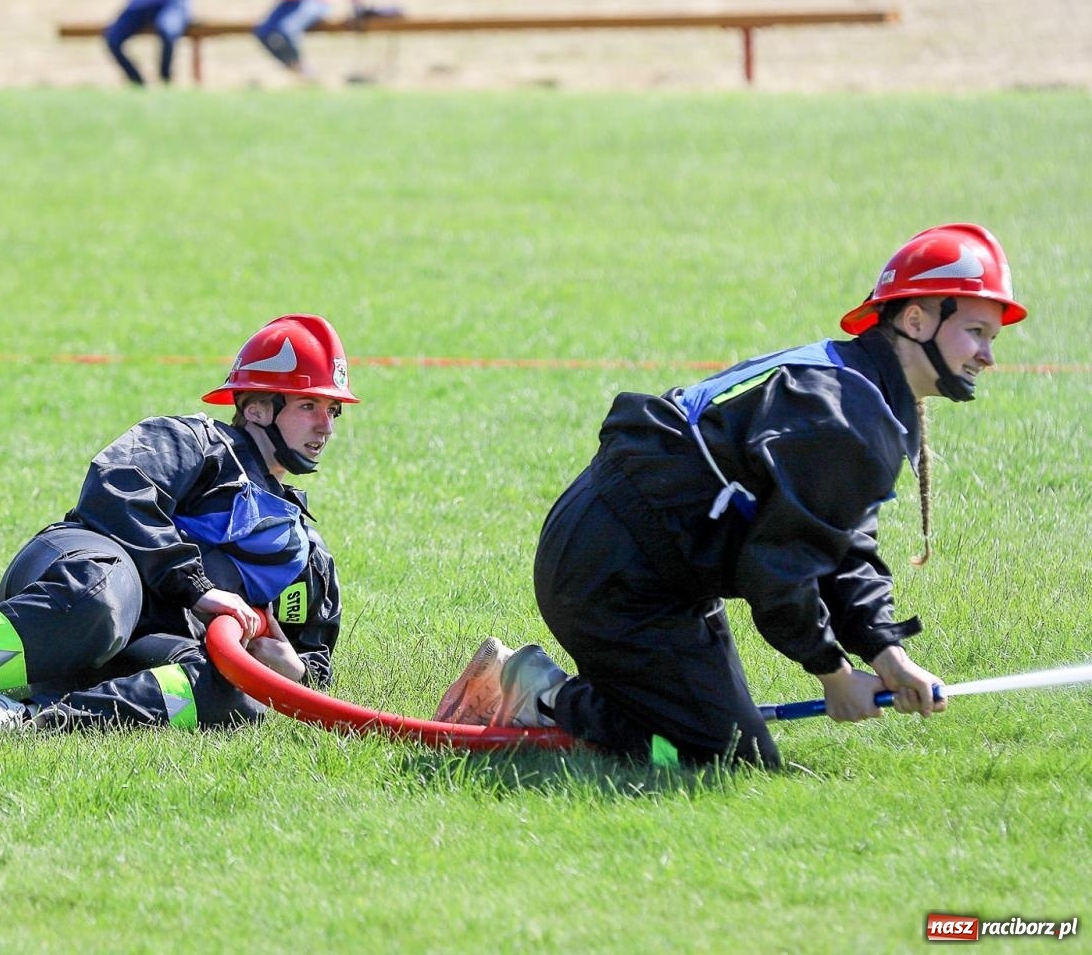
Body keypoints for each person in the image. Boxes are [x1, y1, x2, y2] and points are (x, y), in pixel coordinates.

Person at [435, 224, 1027, 769]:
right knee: (708, 755)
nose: (987, 355)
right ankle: (543, 694)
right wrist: (832, 671)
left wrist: (887, 655)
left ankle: (628, 708)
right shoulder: (848, 418)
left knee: (743, 751)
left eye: (991, 337)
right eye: (975, 332)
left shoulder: (859, 391)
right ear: (917, 321)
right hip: (612, 575)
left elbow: (844, 546)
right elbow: (776, 571)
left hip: (642, 562)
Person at [0, 315, 358, 741]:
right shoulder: (192, 442)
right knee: (100, 600)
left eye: (332, 411)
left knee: (244, 694)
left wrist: (292, 671)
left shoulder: (305, 553)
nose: (324, 425)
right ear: (257, 406)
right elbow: (117, 490)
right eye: (309, 406)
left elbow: (311, 669)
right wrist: (199, 589)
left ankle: (28, 721)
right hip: (82, 575)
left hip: (150, 643)